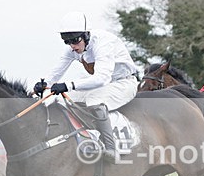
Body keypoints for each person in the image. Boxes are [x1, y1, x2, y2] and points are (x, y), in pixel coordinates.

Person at [33, 12, 138, 162]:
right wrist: (44, 85)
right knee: (59, 99)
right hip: (102, 83)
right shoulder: (73, 49)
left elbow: (102, 78)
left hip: (123, 83)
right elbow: (57, 72)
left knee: (94, 100)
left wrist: (68, 85)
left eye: (75, 41)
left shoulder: (103, 43)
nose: (72, 46)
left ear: (86, 35)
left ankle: (110, 147)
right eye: (67, 41)